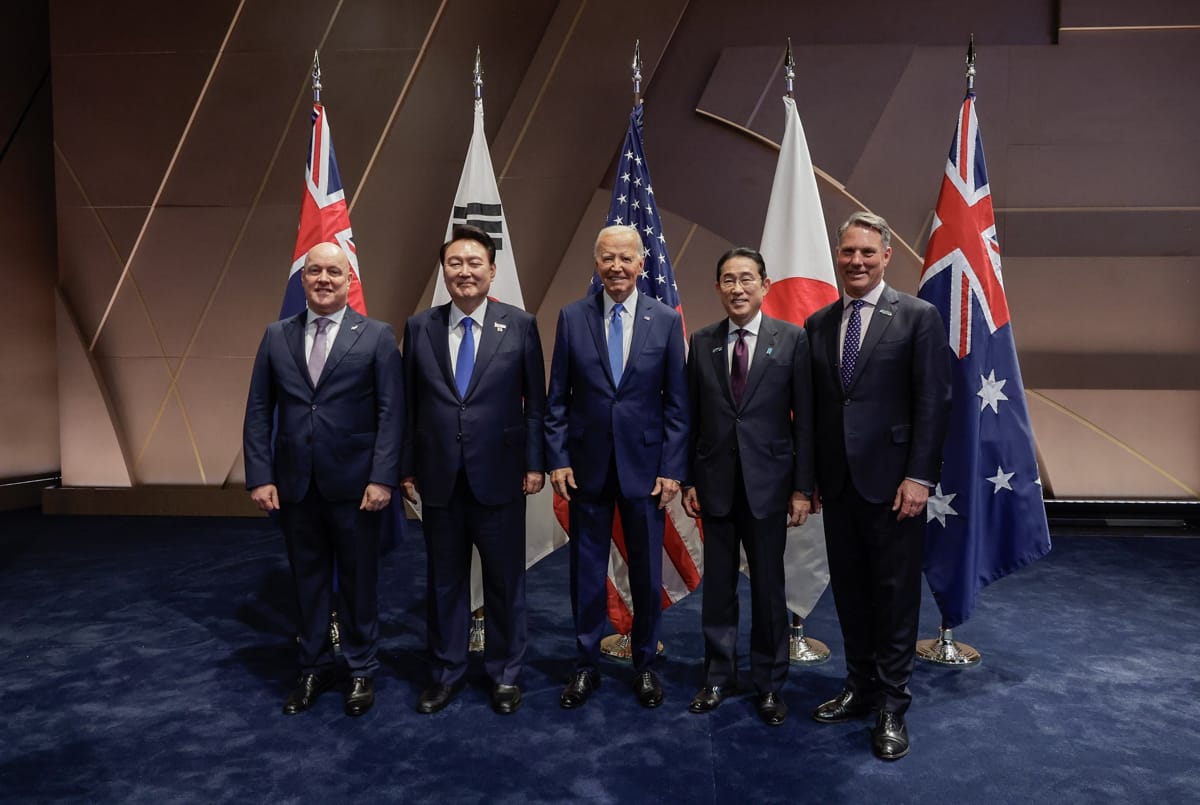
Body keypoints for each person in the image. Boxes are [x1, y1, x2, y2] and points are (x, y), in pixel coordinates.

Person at [805, 212, 951, 759]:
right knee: (850, 593)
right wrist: (810, 479)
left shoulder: (918, 317)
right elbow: (818, 410)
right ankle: (860, 686)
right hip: (839, 485)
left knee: (893, 596)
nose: (857, 261)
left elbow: (933, 402)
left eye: (867, 252)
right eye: (848, 251)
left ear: (887, 256)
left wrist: (919, 476)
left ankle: (892, 703)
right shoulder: (819, 323)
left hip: (895, 488)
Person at [243, 241, 403, 718]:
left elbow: (391, 413)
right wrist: (260, 475)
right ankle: (312, 667)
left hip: (358, 487)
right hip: (295, 486)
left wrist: (383, 477)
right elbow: (258, 410)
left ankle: (360, 670)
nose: (324, 280)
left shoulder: (377, 336)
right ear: (303, 278)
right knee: (307, 582)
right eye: (315, 271)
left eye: (334, 272)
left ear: (350, 280)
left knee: (358, 583)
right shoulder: (276, 335)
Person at [400, 225, 546, 716]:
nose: (464, 271)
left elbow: (536, 404)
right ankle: (446, 672)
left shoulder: (520, 325)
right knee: (444, 582)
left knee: (505, 582)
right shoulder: (419, 326)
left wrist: (535, 463)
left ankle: (504, 674)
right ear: (444, 271)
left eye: (474, 263)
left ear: (492, 270)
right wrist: (405, 467)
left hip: (502, 476)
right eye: (455, 263)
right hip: (438, 476)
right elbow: (408, 404)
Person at [545, 224, 688, 709]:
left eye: (626, 258)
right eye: (608, 258)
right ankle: (585, 665)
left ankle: (644, 664)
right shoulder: (572, 317)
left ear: (642, 264)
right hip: (586, 469)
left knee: (646, 573)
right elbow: (557, 399)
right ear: (596, 263)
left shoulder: (664, 320)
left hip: (646, 471)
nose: (617, 267)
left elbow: (677, 405)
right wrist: (558, 458)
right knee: (586, 573)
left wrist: (672, 468)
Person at [681, 247, 814, 726]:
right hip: (714, 486)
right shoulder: (702, 341)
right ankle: (718, 676)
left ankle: (769, 683)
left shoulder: (793, 340)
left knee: (768, 590)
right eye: (728, 280)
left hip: (770, 487)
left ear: (765, 285)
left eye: (746, 279)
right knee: (718, 590)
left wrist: (802, 489)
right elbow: (691, 417)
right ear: (718, 287)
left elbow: (806, 421)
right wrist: (689, 479)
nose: (737, 289)